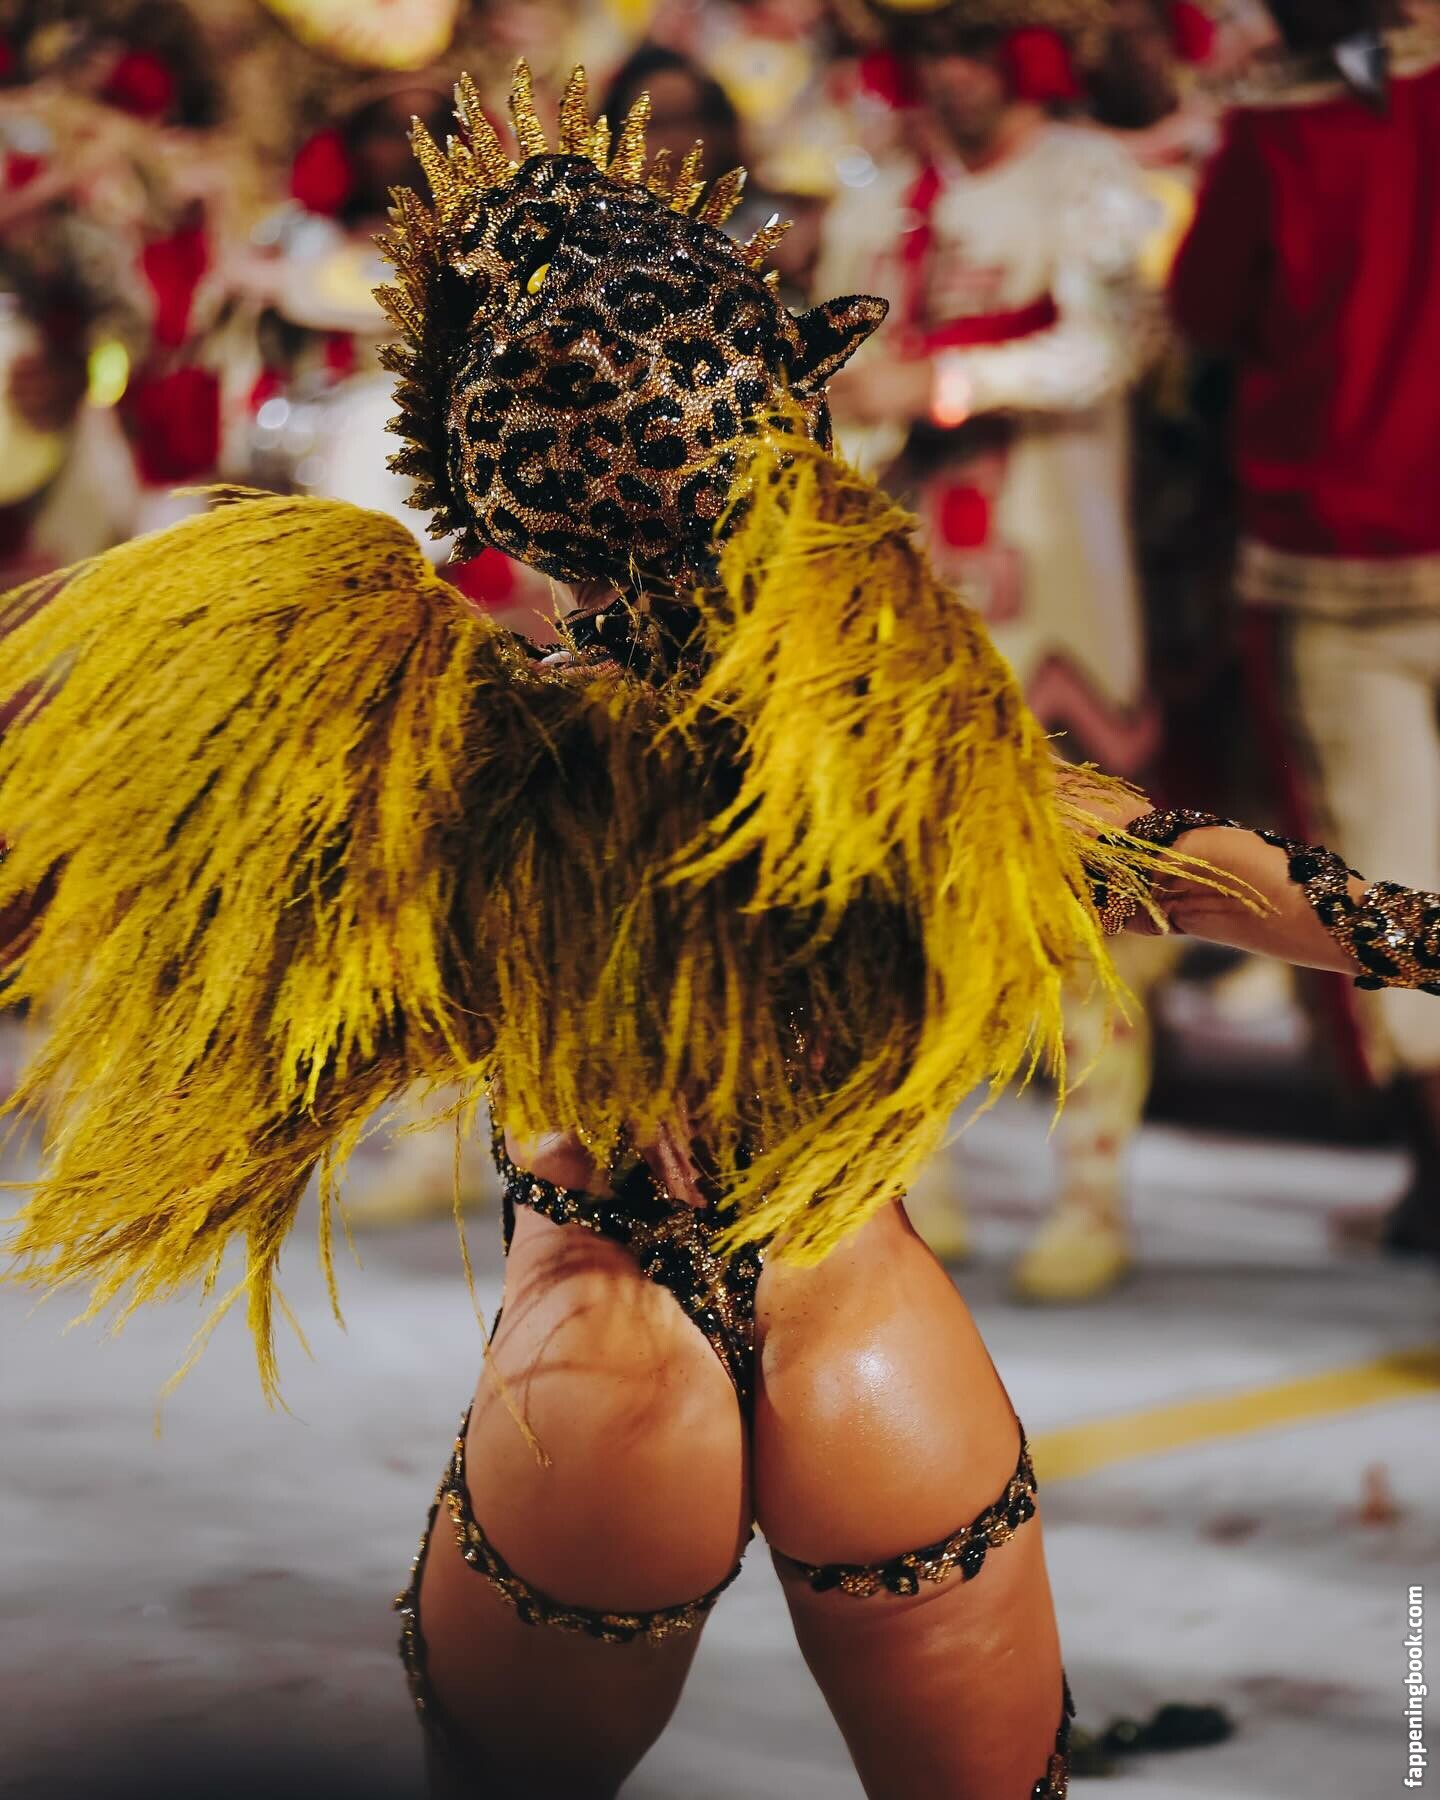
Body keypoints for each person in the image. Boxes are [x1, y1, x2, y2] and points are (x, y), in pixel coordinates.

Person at [3, 62, 1439, 1800]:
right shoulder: (879, 745)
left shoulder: (441, 752)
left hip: (598, 1367)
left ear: (477, 476)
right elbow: (1185, 866)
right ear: (780, 421)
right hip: (869, 1349)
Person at [821, 0, 1172, 1300]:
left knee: (1088, 882)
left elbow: (1111, 347)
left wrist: (946, 386)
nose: (952, 77)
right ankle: (916, 1181)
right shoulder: (876, 190)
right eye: (933, 53)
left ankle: (1092, 1193)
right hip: (905, 583)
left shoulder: (1092, 179)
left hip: (1056, 580)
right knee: (893, 884)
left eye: (973, 49)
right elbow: (840, 361)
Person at [1169, 0, 1440, 1260]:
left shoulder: (1279, 124)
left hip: (1340, 556)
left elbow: (1203, 307)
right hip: (1347, 552)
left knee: (1392, 868)